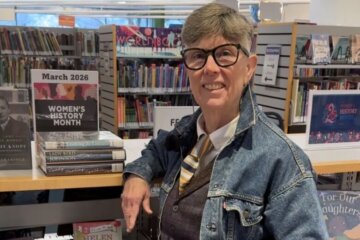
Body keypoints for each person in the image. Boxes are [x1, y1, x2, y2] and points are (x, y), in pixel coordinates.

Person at [121, 3, 329, 239]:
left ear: (249, 68)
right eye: (198, 56)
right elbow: (157, 149)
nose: (210, 68)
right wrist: (138, 175)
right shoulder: (186, 134)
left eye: (225, 54)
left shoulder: (282, 160)